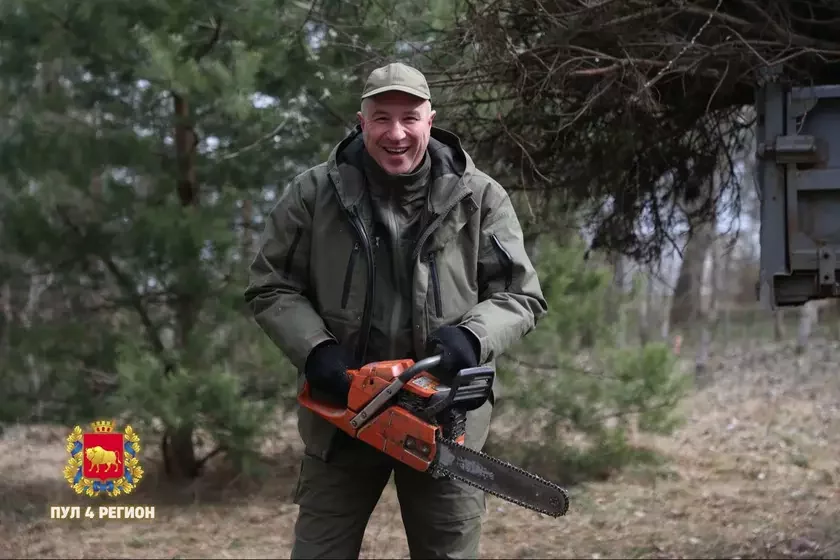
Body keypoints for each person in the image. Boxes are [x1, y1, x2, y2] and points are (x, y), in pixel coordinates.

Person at [244, 62, 547, 560]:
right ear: (361, 122)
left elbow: (521, 295)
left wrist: (472, 336)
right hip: (346, 410)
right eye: (382, 118)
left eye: (409, 118)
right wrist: (316, 349)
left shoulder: (478, 197)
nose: (396, 133)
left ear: (431, 120)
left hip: (444, 415)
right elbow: (271, 284)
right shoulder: (313, 194)